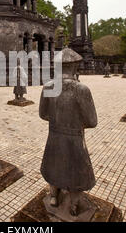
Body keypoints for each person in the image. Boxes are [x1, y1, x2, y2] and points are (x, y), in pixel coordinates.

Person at [39, 47, 98, 216]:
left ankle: (53, 196)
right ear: (74, 67)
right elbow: (92, 121)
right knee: (76, 169)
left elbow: (43, 114)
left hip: (54, 135)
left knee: (54, 164)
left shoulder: (49, 86)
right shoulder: (81, 89)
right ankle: (73, 204)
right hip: (74, 137)